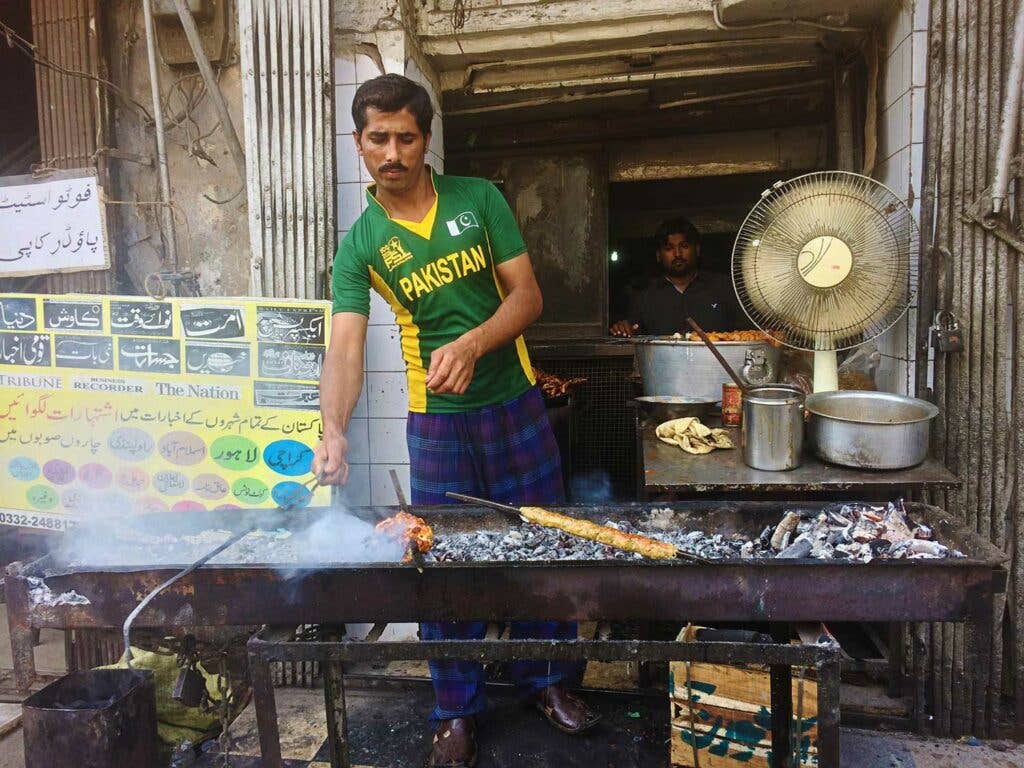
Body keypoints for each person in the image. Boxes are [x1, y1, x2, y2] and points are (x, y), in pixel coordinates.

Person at [311, 74, 599, 768]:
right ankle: (457, 709)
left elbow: (527, 298)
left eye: (405, 137)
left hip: (516, 402)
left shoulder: (478, 199)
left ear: (425, 139)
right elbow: (345, 346)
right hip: (436, 421)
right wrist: (334, 429)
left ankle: (548, 681)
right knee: (439, 564)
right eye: (377, 138)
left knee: (540, 544)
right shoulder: (362, 245)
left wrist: (473, 343)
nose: (393, 152)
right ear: (358, 144)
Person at [610, 216, 747, 337]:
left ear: (697, 249)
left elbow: (745, 333)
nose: (677, 254)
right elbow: (633, 335)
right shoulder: (644, 295)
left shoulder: (724, 287)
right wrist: (623, 329)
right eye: (669, 248)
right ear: (659, 255)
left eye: (684, 246)